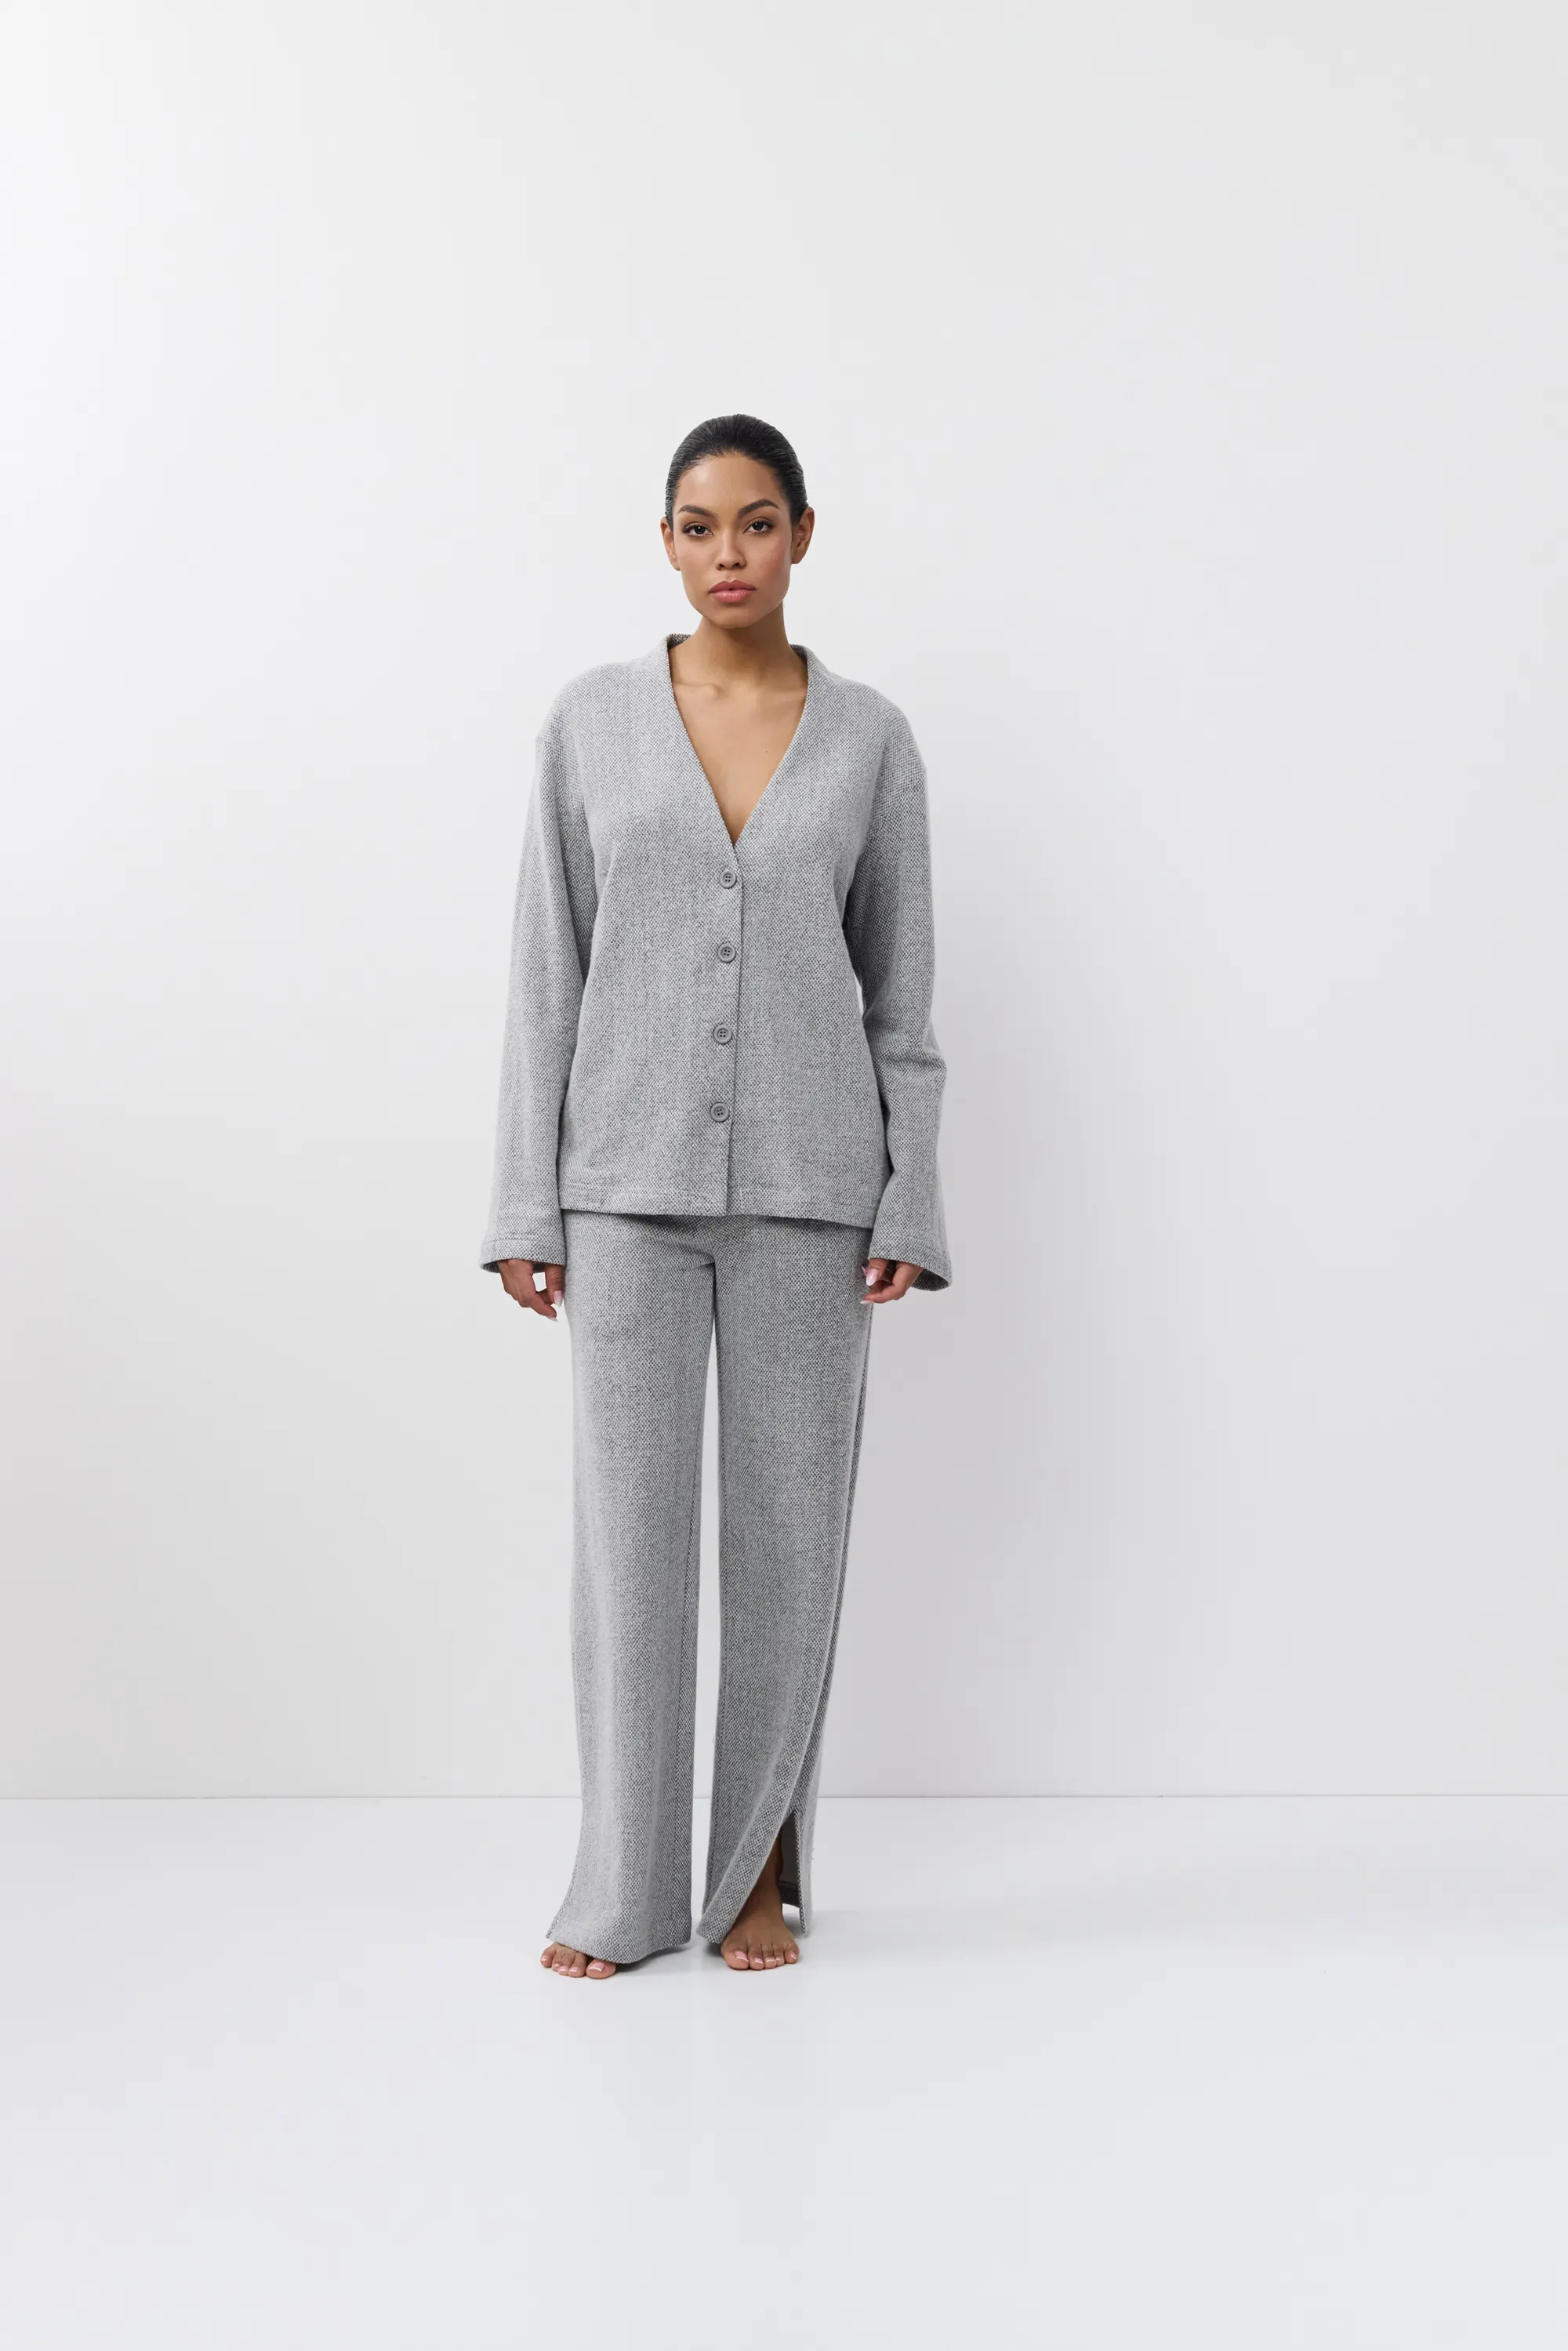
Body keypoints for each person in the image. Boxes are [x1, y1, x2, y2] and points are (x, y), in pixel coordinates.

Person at [480, 414, 952, 1979]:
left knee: (788, 1545)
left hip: (815, 1192)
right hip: (619, 1190)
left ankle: (754, 1873)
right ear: (667, 542)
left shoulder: (870, 739)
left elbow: (901, 995)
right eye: (698, 526)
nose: (728, 553)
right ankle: (626, 1885)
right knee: (628, 1547)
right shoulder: (591, 724)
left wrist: (909, 1199)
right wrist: (525, 1204)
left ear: (802, 533)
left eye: (756, 522)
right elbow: (545, 974)